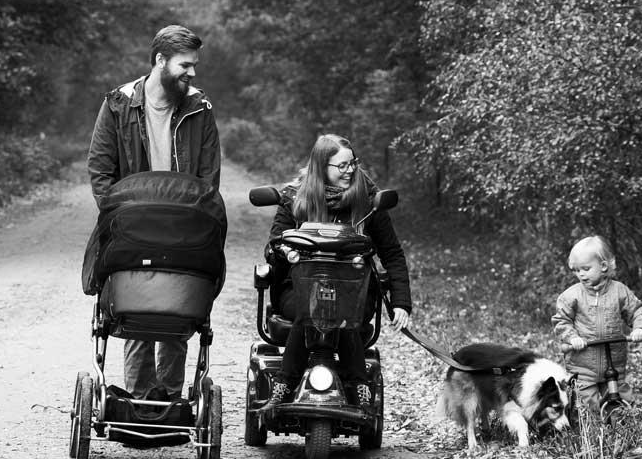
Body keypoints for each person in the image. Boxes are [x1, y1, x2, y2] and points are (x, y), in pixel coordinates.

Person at [87, 24, 221, 400]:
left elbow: (209, 177)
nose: (191, 73)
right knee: (136, 310)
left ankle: (170, 400)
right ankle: (142, 398)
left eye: (193, 65)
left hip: (183, 227)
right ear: (160, 60)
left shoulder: (199, 108)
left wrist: (198, 222)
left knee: (179, 307)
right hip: (134, 226)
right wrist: (119, 218)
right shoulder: (119, 105)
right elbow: (101, 169)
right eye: (185, 65)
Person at [259, 134, 412, 412]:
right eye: (341, 166)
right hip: (299, 289)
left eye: (352, 163)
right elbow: (274, 246)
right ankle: (284, 386)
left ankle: (360, 390)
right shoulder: (296, 199)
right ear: (321, 167)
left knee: (340, 311)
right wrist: (286, 252)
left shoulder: (368, 201)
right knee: (314, 308)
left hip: (354, 292)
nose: (350, 171)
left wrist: (401, 302)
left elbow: (392, 254)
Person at [552, 235, 642, 411]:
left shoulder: (619, 291)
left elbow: (636, 311)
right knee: (587, 402)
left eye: (586, 269)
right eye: (576, 270)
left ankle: (621, 429)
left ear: (603, 266)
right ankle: (594, 432)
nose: (580, 274)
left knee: (621, 398)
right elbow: (562, 321)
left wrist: (639, 328)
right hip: (583, 363)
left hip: (615, 361)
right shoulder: (571, 296)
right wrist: (572, 337)